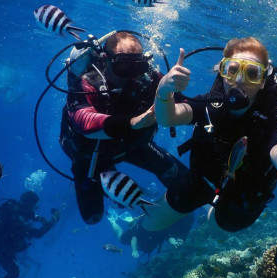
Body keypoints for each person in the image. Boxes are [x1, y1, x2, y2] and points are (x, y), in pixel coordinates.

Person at [145, 36, 277, 233]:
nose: (240, 80)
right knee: (152, 222)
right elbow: (167, 118)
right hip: (204, 179)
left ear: (262, 82)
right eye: (232, 70)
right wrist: (164, 90)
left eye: (252, 73)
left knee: (214, 229)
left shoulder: (271, 118)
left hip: (245, 195)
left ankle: (209, 212)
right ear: (222, 73)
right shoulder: (211, 104)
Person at [59, 31, 189, 224]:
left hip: (133, 144)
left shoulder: (149, 76)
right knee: (92, 216)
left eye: (138, 66)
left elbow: (187, 106)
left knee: (184, 181)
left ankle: (160, 220)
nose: (132, 75)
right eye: (123, 67)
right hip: (92, 154)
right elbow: (83, 120)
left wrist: (173, 88)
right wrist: (132, 123)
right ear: (106, 59)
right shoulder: (88, 81)